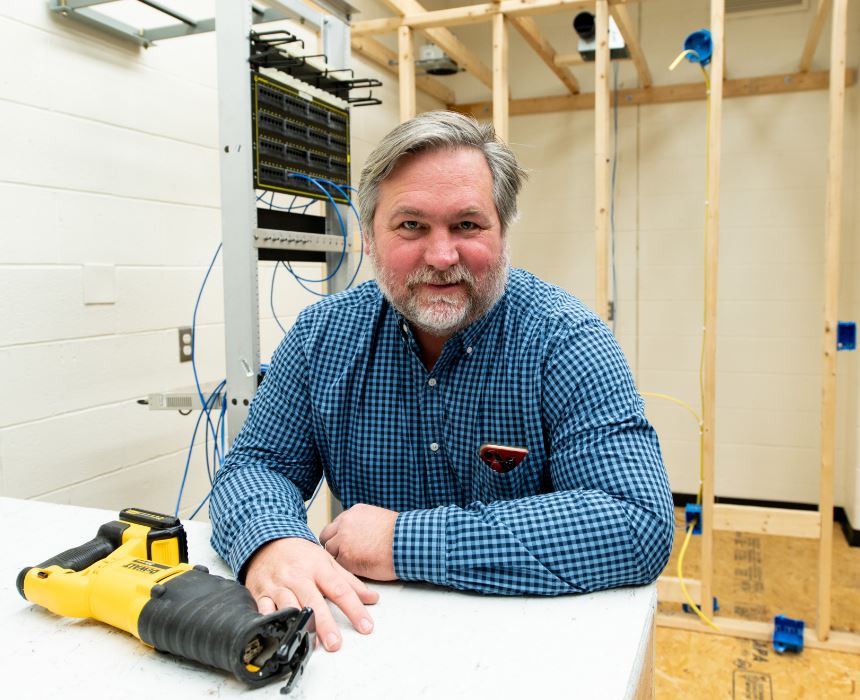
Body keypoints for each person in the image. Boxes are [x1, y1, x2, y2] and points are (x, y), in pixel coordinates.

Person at [210, 111, 674, 653]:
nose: (441, 256)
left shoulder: (565, 340)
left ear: (502, 230)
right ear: (368, 237)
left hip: (532, 650)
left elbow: (636, 521)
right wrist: (273, 539)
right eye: (411, 225)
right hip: (370, 644)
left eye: (467, 225)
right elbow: (257, 466)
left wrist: (404, 542)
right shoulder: (321, 338)